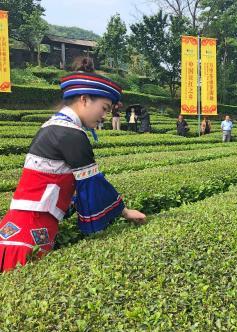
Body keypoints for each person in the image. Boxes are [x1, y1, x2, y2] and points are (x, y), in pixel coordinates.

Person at [0, 60, 146, 273]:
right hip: (29, 232)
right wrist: (124, 212)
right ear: (84, 99)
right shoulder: (71, 133)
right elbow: (92, 184)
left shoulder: (53, 126)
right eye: (104, 108)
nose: (104, 116)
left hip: (21, 228)